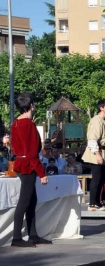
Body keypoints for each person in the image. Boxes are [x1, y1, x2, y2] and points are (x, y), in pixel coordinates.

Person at [10, 92, 51, 248]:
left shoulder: (15, 123)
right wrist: (42, 173)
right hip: (28, 165)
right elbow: (33, 152)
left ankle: (33, 235)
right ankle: (16, 238)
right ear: (31, 105)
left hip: (21, 163)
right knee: (25, 201)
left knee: (31, 200)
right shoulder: (28, 124)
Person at [82, 99, 105, 211]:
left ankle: (98, 202)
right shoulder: (96, 121)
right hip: (96, 151)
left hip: (102, 151)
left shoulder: (104, 120)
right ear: (101, 108)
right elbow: (92, 139)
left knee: (101, 178)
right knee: (96, 178)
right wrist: (97, 155)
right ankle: (92, 203)